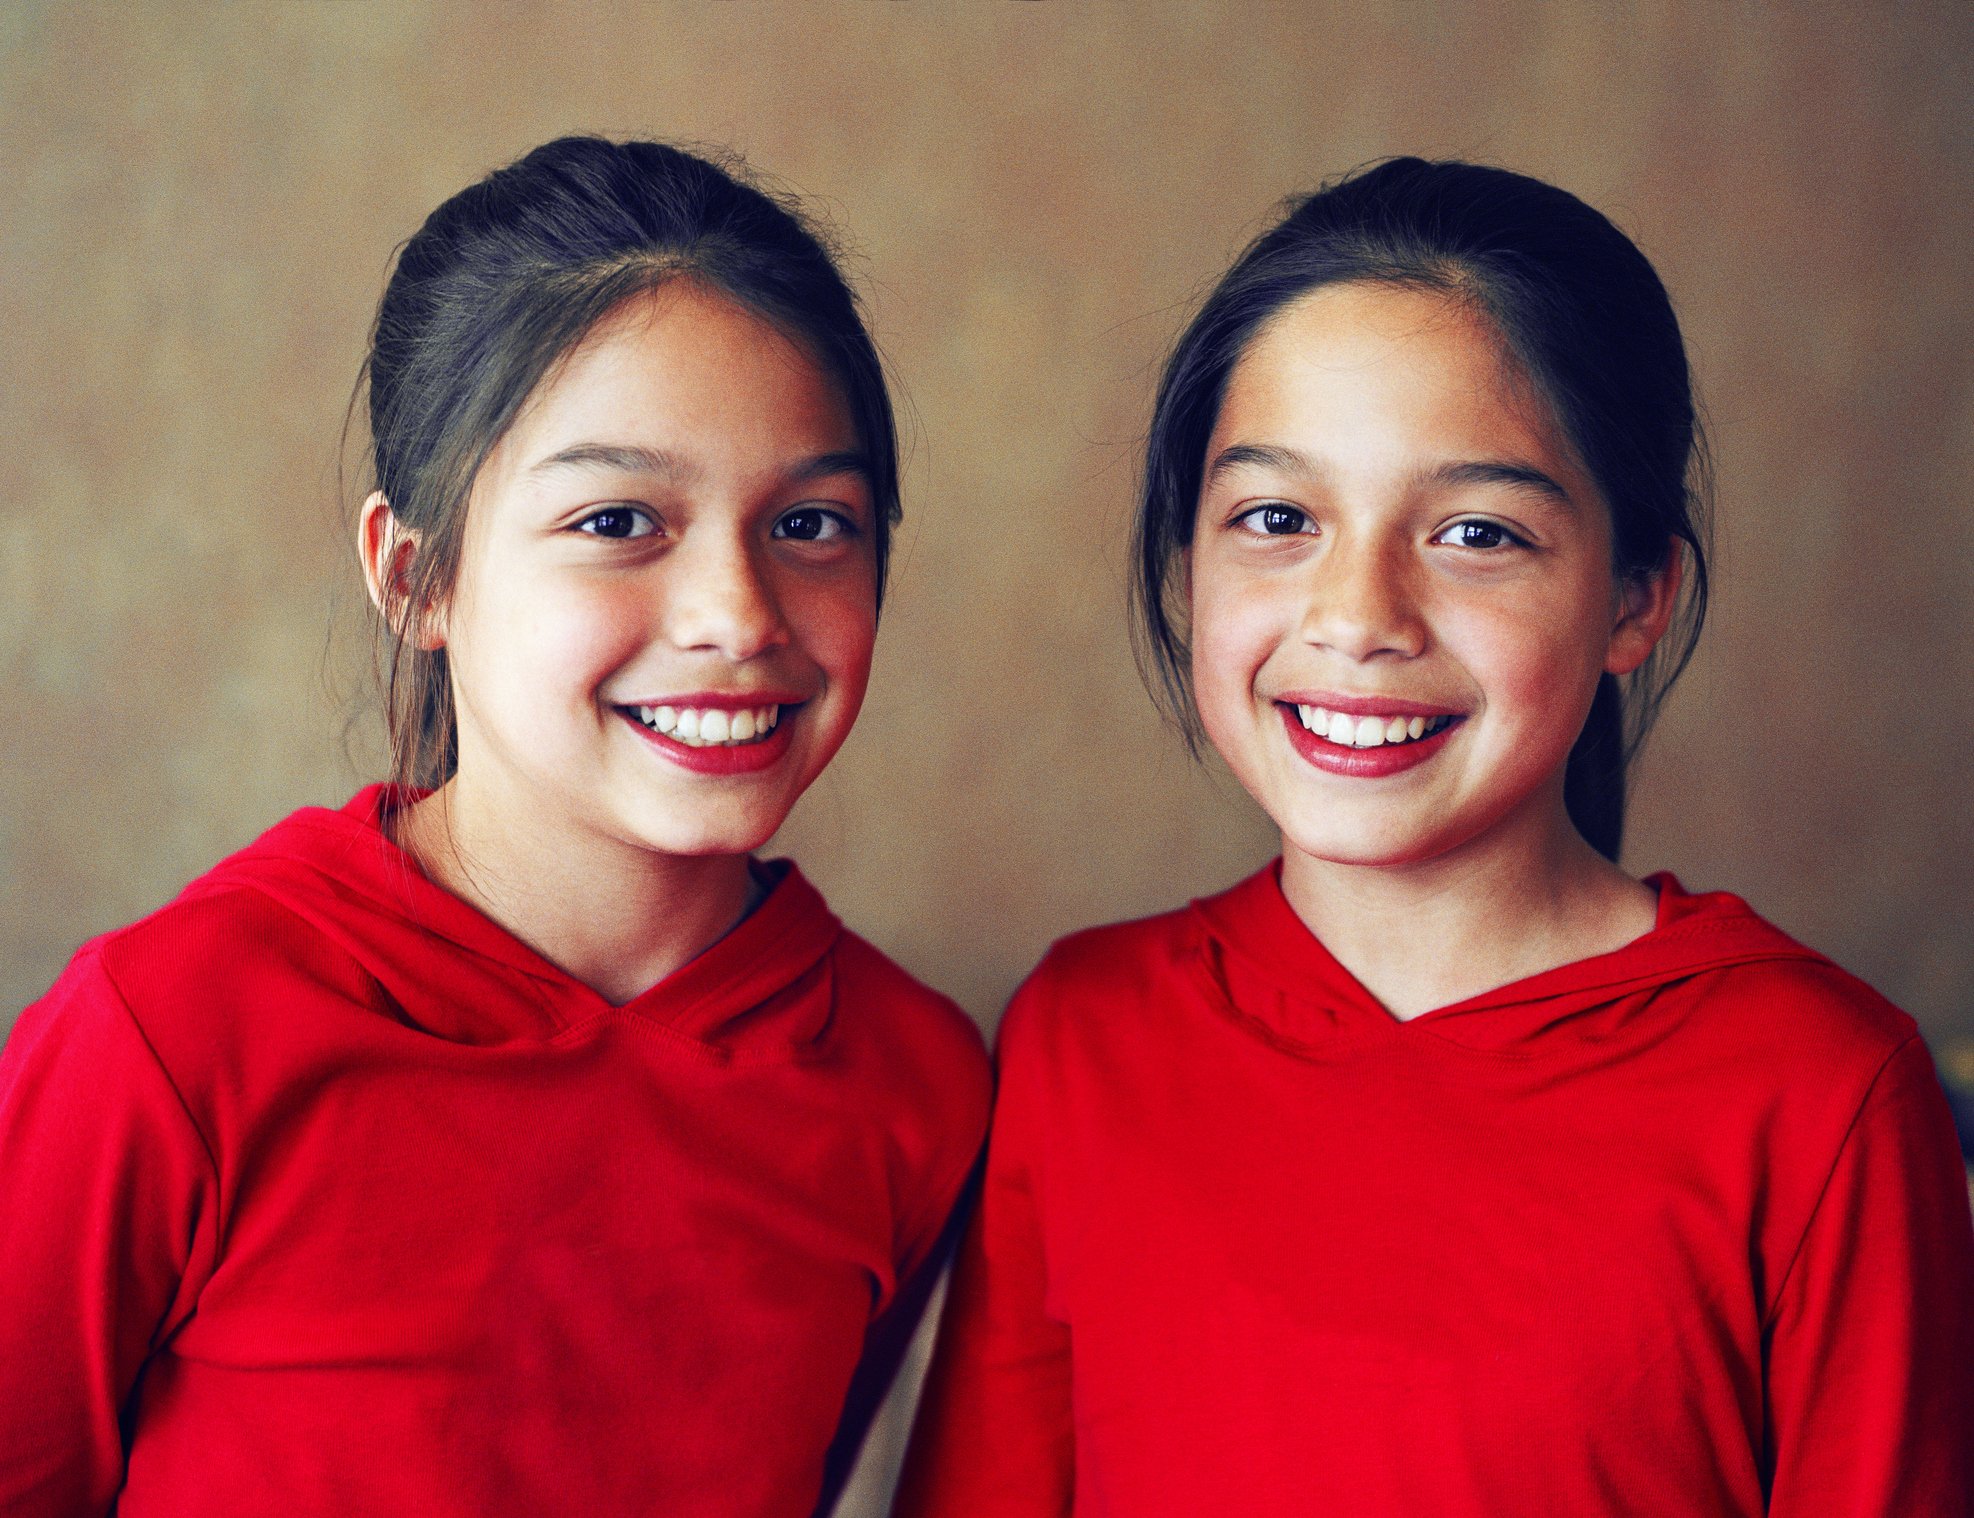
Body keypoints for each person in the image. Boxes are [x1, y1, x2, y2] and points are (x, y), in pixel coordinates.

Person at [894, 158, 1974, 1516]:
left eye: (1475, 532)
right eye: (1276, 519)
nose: (1358, 615)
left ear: (1635, 598)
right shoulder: (1079, 1033)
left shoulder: (1825, 1095)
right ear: (1186, 560)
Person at [0, 135, 989, 1517]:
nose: (738, 615)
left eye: (811, 523)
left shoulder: (912, 1085)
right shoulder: (169, 1031)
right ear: (417, 577)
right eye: (618, 517)